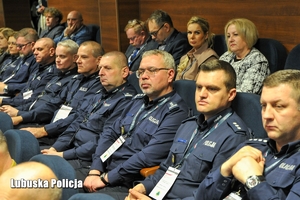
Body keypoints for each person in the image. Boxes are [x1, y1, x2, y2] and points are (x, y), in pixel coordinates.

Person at [75, 50, 189, 200]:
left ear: (170, 75)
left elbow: (147, 157)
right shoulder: (137, 101)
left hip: (126, 183)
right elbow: (109, 133)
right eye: (141, 71)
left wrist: (105, 178)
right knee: (52, 180)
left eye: (152, 70)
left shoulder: (176, 112)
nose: (144, 76)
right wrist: (96, 169)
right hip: (102, 169)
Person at [195, 69, 300, 200]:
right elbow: (201, 197)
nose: (266, 115)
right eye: (263, 106)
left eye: (278, 106)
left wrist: (253, 179)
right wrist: (225, 168)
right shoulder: (251, 147)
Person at [41, 51, 137, 181]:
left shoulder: (127, 100)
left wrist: (62, 154)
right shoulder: (99, 93)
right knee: (37, 163)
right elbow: (77, 123)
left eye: (107, 68)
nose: (101, 73)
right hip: (72, 149)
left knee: (44, 176)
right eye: (100, 68)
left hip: (88, 160)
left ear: (124, 72)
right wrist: (55, 148)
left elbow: (103, 139)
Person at [5, 41, 103, 146]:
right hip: (51, 127)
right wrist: (22, 117)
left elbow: (77, 117)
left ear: (98, 60)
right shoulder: (76, 79)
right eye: (78, 57)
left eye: (83, 57)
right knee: (11, 134)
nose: (78, 61)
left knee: (18, 142)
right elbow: (53, 104)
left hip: (64, 135)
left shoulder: (98, 86)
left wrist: (43, 130)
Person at [0, 39, 79, 127]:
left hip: (39, 121)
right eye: (57, 56)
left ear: (74, 58)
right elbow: (36, 100)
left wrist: (19, 114)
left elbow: (50, 109)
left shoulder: (72, 80)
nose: (58, 60)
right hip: (29, 114)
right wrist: (16, 110)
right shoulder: (57, 75)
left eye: (62, 56)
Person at [0, 37, 57, 108]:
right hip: (17, 103)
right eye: (34, 50)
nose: (35, 53)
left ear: (51, 52)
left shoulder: (52, 73)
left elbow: (33, 100)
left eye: (39, 49)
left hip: (25, 110)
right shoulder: (38, 68)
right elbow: (25, 92)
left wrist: (4, 102)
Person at [220, 18, 269, 94]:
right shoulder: (226, 56)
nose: (230, 39)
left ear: (248, 36)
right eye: (228, 36)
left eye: (235, 35)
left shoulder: (258, 61)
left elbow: (246, 94)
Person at [176, 16, 218, 80]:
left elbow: (200, 85)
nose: (192, 37)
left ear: (206, 35)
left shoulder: (210, 58)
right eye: (189, 32)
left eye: (197, 33)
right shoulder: (184, 58)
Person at [0, 28, 39, 97]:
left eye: (21, 46)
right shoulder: (22, 57)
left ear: (32, 45)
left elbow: (31, 84)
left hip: (13, 94)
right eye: (17, 45)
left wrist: (7, 88)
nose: (18, 48)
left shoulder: (36, 60)